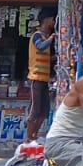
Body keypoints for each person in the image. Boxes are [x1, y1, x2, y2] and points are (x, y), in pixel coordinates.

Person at [26, 14, 55, 143]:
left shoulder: (45, 37)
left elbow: (44, 56)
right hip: (36, 78)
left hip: (44, 79)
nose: (53, 22)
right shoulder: (37, 36)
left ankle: (34, 134)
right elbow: (40, 47)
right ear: (47, 20)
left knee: (44, 110)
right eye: (52, 19)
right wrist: (51, 38)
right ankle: (28, 138)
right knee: (35, 109)